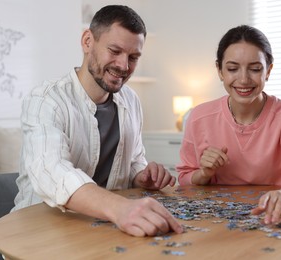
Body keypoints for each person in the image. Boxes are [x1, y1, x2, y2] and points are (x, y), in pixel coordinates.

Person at [13, 5, 183, 237]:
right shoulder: (45, 100)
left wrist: (141, 176)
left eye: (133, 57)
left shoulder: (131, 100)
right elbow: (50, 171)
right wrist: (119, 207)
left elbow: (134, 160)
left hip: (104, 229)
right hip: (41, 231)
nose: (123, 66)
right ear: (87, 42)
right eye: (114, 51)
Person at [177, 25, 281, 225]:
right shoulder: (199, 117)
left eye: (255, 69)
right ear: (219, 70)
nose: (243, 79)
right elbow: (185, 178)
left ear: (268, 70)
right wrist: (204, 174)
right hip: (219, 224)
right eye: (232, 69)